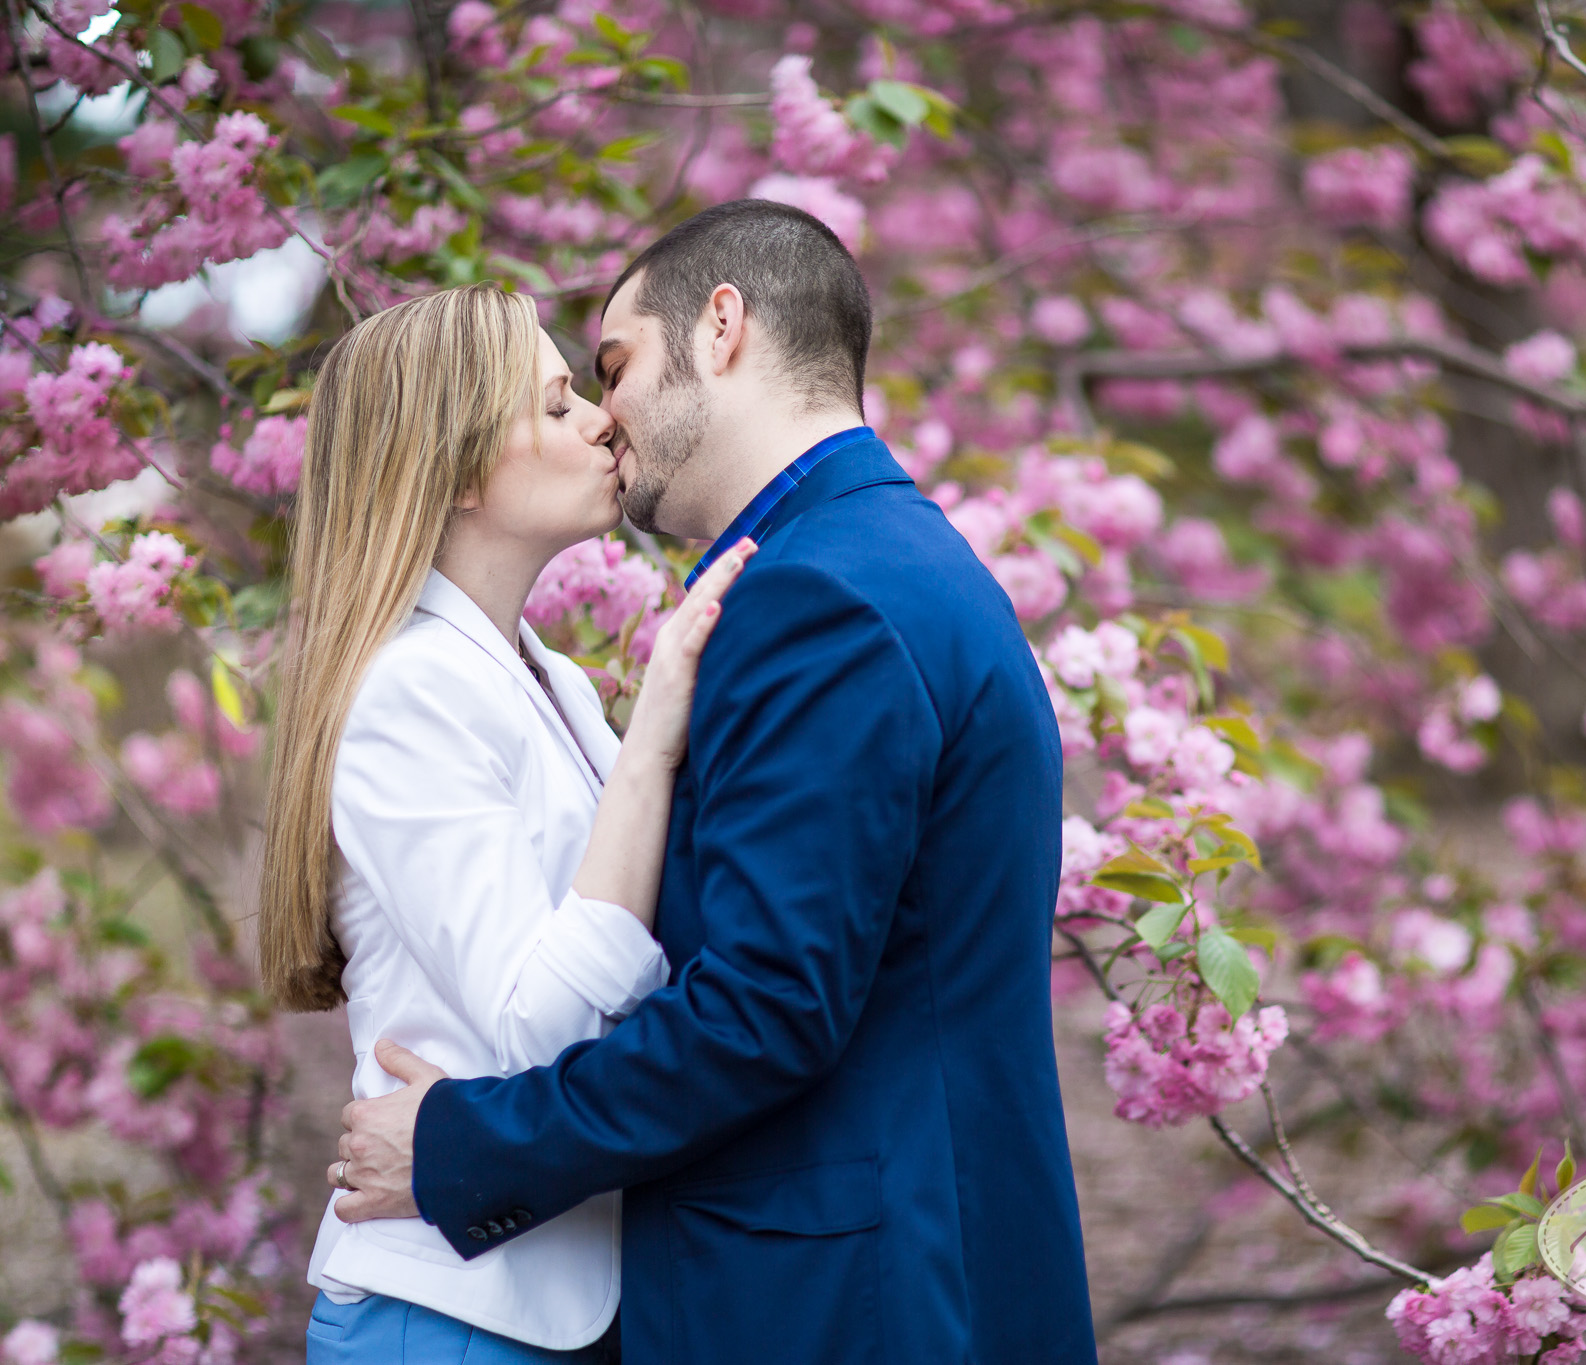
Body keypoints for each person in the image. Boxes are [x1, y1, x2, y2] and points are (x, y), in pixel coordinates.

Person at [327, 199, 1100, 1362]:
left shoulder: (817, 596)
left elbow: (763, 1005)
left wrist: (461, 1149)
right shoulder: (882, 561)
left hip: (853, 1294)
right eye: (567, 395)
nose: (605, 419)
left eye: (614, 366)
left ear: (722, 328)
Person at [259, 283, 751, 1362]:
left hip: (563, 1293)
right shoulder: (407, 693)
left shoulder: (556, 684)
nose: (600, 422)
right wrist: (657, 730)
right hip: (447, 1316)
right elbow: (545, 1026)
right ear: (463, 468)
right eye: (559, 401)